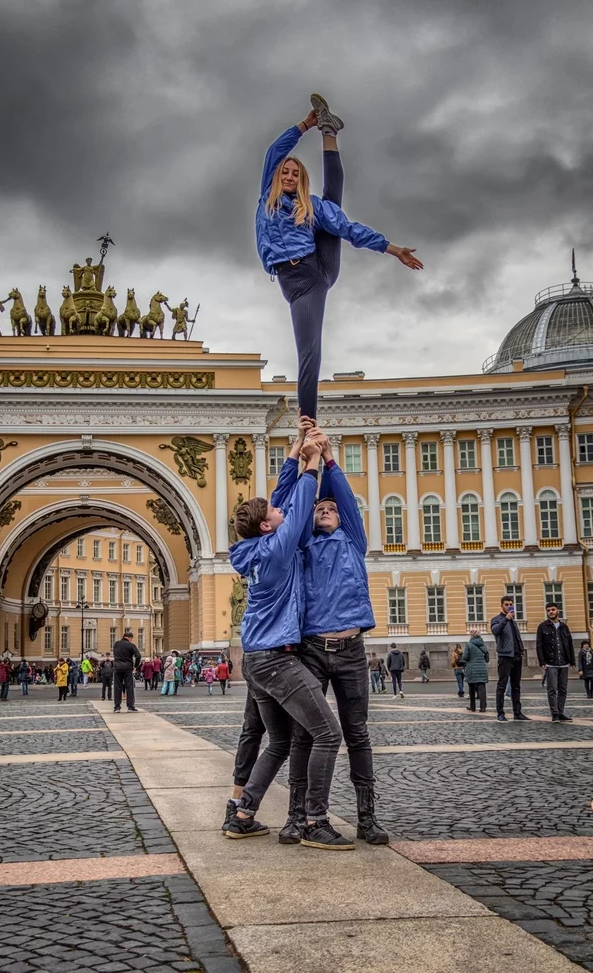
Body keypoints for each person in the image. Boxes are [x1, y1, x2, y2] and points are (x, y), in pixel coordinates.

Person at [256, 94, 423, 420]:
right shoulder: (267, 197)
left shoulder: (311, 206)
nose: (289, 176)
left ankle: (308, 422)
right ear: (278, 176)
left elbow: (350, 230)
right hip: (288, 278)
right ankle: (328, 130)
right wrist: (306, 124)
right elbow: (274, 152)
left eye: (295, 174)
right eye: (286, 172)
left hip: (313, 275)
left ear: (301, 181)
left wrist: (391, 249)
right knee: (333, 203)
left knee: (308, 350)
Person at [228, 433, 353, 850]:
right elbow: (296, 507)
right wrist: (312, 464)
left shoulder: (254, 546)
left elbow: (280, 502)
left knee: (280, 741)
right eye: (273, 513)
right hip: (278, 661)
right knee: (328, 735)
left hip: (255, 661)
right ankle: (316, 820)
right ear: (267, 526)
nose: (279, 509)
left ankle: (242, 814)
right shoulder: (280, 547)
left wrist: (294, 452)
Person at [281, 429, 389, 846]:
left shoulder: (353, 540)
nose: (326, 509)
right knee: (304, 734)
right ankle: (298, 817)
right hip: (311, 650)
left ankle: (367, 818)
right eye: (319, 507)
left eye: (331, 508)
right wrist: (303, 457)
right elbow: (294, 503)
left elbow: (343, 497)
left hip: (350, 651)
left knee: (357, 732)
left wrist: (328, 457)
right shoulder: (304, 544)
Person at [490, 595, 529, 723]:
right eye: (506, 604)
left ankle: (517, 712)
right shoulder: (496, 619)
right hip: (505, 656)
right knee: (502, 685)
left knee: (516, 686)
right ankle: (500, 713)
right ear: (501, 605)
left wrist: (521, 650)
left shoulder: (513, 621)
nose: (509, 606)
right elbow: (496, 631)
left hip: (517, 656)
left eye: (511, 604)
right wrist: (506, 619)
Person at [536, 602, 575, 723]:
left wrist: (572, 660)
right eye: (548, 610)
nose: (551, 612)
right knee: (552, 689)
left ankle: (561, 712)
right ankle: (555, 714)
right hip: (550, 663)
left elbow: (569, 644)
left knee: (563, 689)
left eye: (553, 610)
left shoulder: (564, 627)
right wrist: (542, 661)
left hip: (564, 662)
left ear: (558, 610)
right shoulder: (542, 626)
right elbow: (539, 645)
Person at [113, 629, 141, 713]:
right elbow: (138, 656)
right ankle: (130, 706)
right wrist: (135, 666)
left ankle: (117, 707)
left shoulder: (116, 644)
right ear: (130, 638)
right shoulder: (131, 645)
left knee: (117, 687)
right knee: (129, 687)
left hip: (117, 667)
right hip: (128, 668)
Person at [462, 629, 490, 712]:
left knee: (471, 688)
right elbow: (487, 659)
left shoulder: (469, 644)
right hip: (482, 669)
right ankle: (483, 707)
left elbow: (465, 657)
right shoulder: (483, 645)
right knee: (482, 688)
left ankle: (473, 707)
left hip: (472, 668)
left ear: (471, 636)